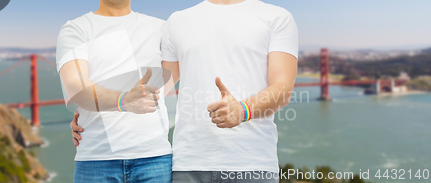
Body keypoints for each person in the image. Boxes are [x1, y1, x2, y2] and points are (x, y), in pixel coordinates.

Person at [72, 0, 298, 182]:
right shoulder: (177, 21)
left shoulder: (276, 17)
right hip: (188, 165)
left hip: (252, 165)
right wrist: (90, 117)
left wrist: (243, 110)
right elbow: (156, 90)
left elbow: (283, 89)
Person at [57, 0, 173, 182]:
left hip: (155, 157)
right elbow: (75, 86)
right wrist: (124, 100)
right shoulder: (76, 29)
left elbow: (184, 70)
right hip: (96, 160)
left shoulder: (161, 29)